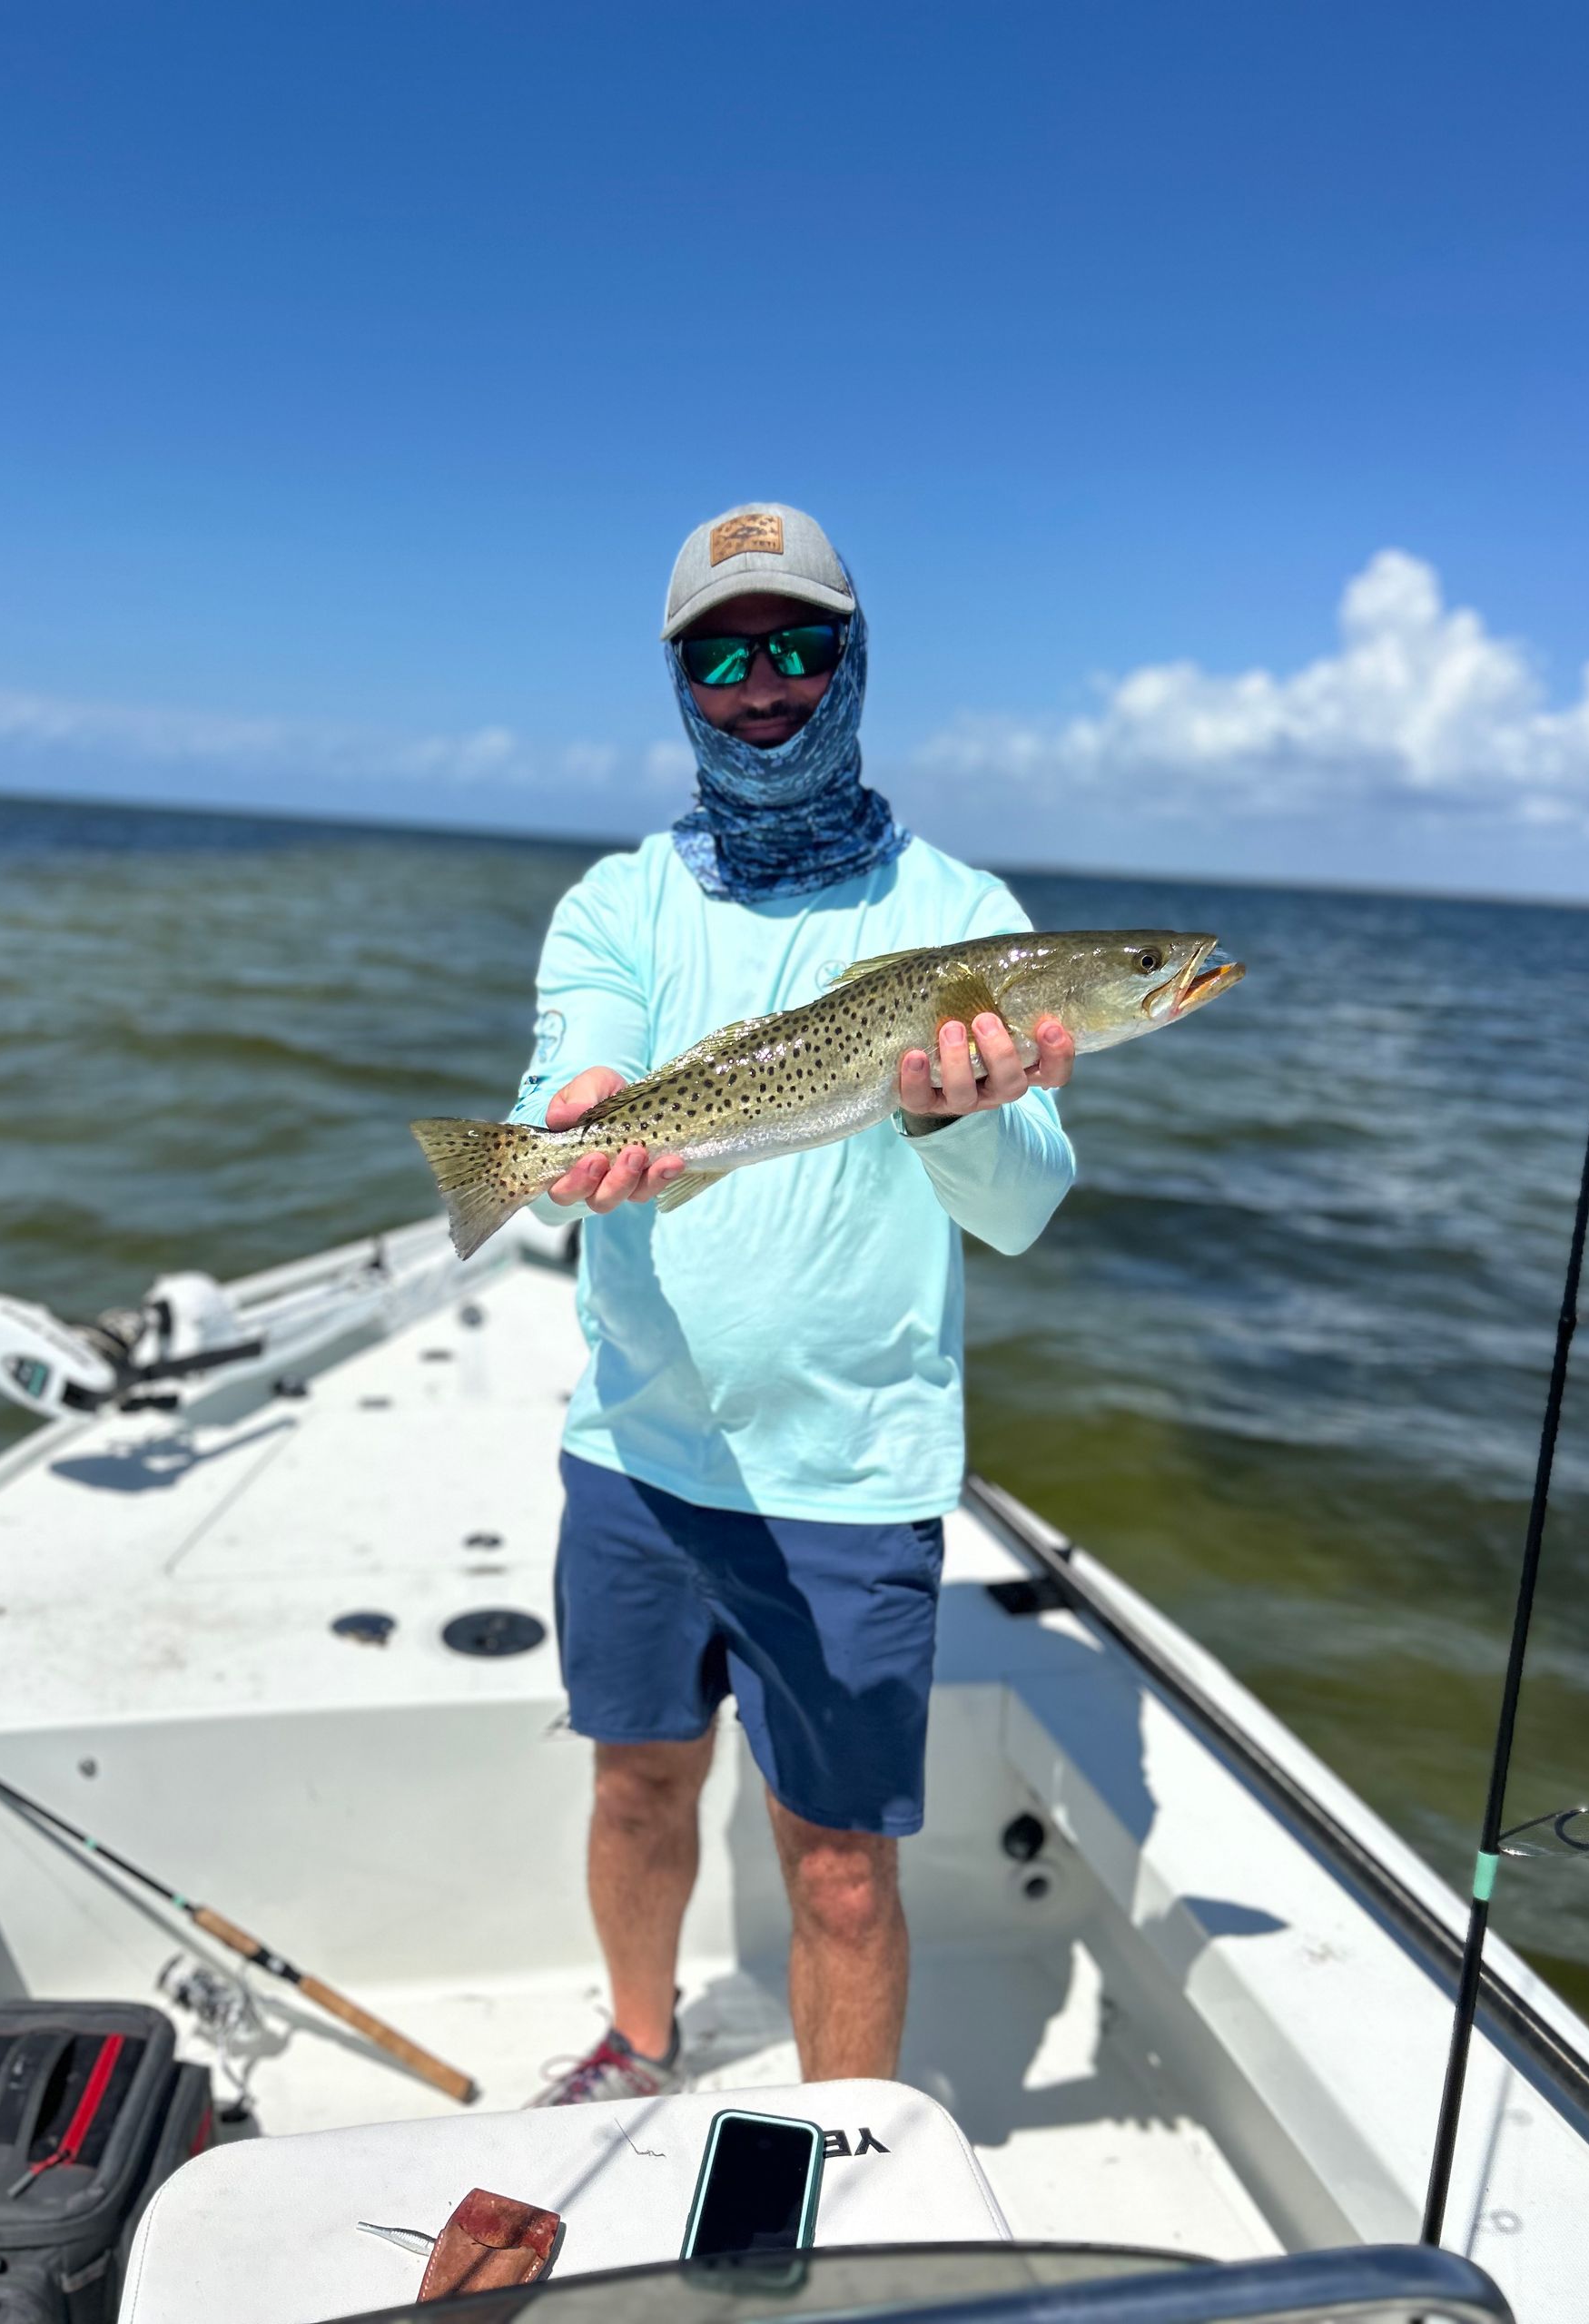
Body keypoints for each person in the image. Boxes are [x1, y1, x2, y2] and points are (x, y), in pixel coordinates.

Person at [513, 503, 1076, 2105]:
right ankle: (636, 2041)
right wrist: (580, 1127)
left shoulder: (966, 919)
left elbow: (1027, 1205)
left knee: (838, 1871)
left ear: (854, 656)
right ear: (682, 680)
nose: (763, 686)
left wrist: (958, 1113)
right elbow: (578, 1067)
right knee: (635, 1786)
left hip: (852, 1475)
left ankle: (843, 2165)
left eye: (798, 645)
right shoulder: (618, 903)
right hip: (632, 1449)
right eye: (722, 654)